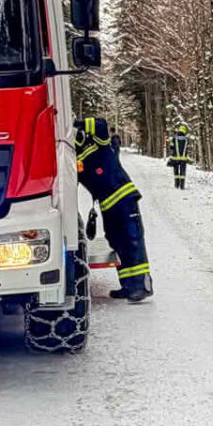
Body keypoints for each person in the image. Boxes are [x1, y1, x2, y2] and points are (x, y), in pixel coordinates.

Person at [74, 117, 153, 302]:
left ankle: (142, 286)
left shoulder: (100, 143)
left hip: (124, 199)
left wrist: (77, 123)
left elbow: (101, 124)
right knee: (117, 243)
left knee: (132, 241)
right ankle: (127, 285)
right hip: (107, 206)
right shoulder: (76, 159)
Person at [166, 124, 191, 189]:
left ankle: (176, 184)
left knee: (176, 171)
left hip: (175, 158)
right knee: (183, 172)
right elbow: (187, 148)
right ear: (184, 131)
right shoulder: (186, 139)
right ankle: (182, 186)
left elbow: (171, 147)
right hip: (183, 158)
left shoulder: (174, 138)